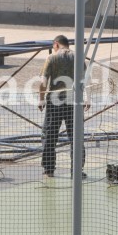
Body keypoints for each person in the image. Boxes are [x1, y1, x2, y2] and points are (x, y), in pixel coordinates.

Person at [38, 34, 86, 178]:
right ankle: (76, 170)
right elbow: (85, 79)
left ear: (56, 44)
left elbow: (43, 82)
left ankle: (49, 169)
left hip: (54, 102)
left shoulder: (52, 58)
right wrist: (86, 99)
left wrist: (41, 99)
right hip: (74, 101)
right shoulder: (78, 57)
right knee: (76, 136)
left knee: (50, 135)